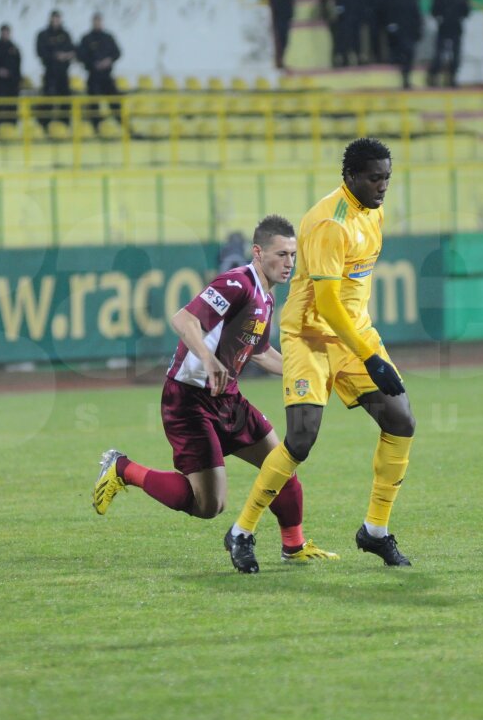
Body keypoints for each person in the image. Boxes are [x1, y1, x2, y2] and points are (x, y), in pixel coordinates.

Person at [92, 215, 338, 565]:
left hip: (228, 399)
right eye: (281, 255)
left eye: (292, 255)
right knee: (209, 505)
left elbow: (261, 352)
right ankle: (122, 469)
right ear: (257, 252)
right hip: (188, 401)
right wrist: (207, 359)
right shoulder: (237, 283)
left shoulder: (266, 299)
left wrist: (314, 372)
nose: (289, 263)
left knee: (281, 465)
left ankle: (294, 548)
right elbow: (183, 319)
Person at [226, 138, 416, 574]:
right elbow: (328, 305)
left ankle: (375, 531)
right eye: (374, 177)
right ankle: (241, 531)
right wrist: (370, 357)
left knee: (401, 420)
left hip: (353, 333)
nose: (382, 185)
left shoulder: (373, 210)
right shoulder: (332, 222)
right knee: (301, 439)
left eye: (386, 177)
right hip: (311, 334)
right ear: (349, 177)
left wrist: (365, 345)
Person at [77, 13, 122, 130]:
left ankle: (120, 123)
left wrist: (109, 60)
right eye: (95, 21)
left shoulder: (108, 37)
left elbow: (117, 52)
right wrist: (93, 63)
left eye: (99, 21)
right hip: (93, 76)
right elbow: (80, 55)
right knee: (94, 102)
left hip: (107, 75)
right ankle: (95, 126)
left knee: (114, 100)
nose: (97, 23)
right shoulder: (86, 38)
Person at [428, 0, 470, 87]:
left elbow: (466, 12)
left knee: (455, 56)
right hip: (443, 29)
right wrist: (441, 18)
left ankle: (452, 79)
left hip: (456, 29)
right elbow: (434, 11)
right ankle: (433, 77)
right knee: (439, 55)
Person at [36, 10, 76, 129]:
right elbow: (40, 52)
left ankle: (65, 124)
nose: (56, 21)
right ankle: (44, 124)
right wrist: (55, 56)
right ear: (50, 19)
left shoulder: (66, 34)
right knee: (48, 98)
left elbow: (73, 50)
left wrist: (67, 55)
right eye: (54, 18)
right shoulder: (43, 35)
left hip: (63, 73)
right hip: (50, 72)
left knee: (65, 99)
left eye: (58, 18)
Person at [386, 0, 422, 89]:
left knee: (409, 55)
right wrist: (392, 25)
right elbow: (391, 11)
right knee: (402, 54)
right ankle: (403, 80)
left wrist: (418, 28)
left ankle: (406, 79)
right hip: (400, 29)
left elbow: (417, 14)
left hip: (410, 29)